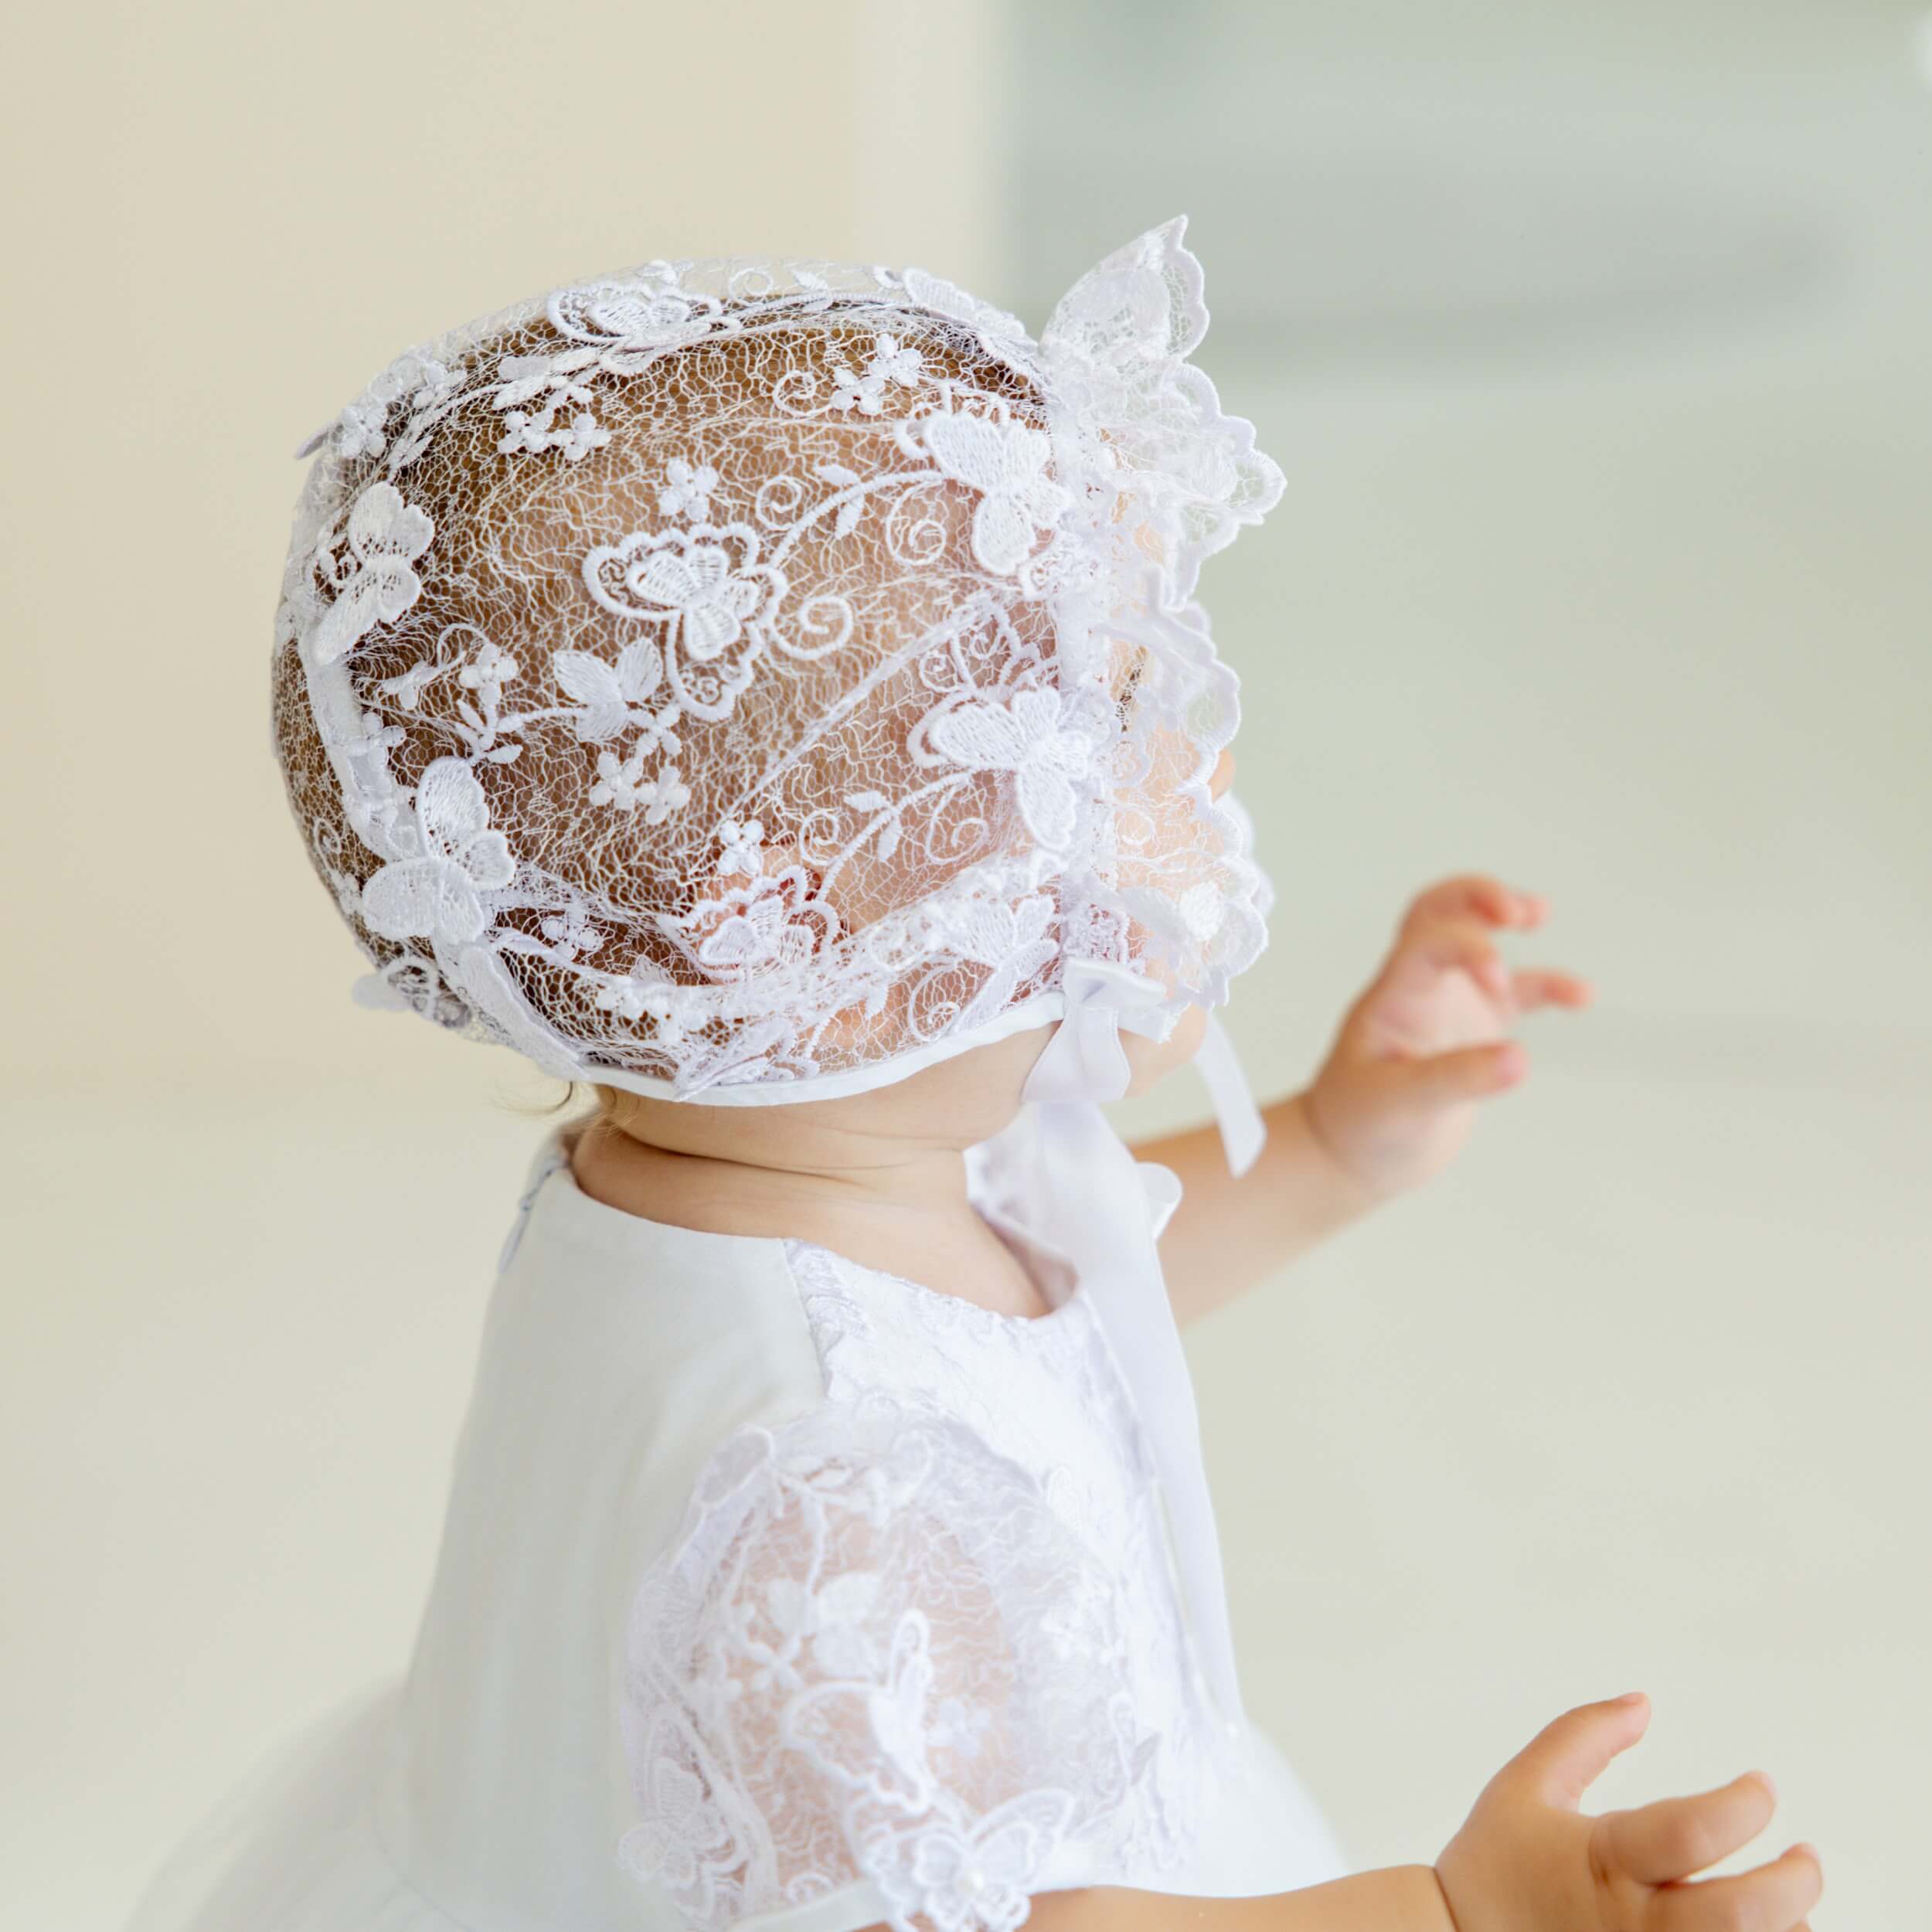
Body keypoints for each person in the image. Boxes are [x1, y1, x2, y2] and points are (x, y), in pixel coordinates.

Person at [128, 222, 1821, 1932]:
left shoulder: (732, 1175)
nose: (1205, 763)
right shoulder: (833, 1490)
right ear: (798, 926)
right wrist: (1448, 1917)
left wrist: (1325, 1149)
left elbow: (1031, 1331)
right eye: (1113, 719)